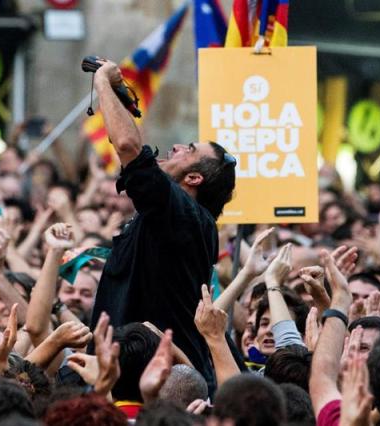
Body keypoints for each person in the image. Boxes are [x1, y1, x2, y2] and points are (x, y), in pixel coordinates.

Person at [89, 58, 236, 390]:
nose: (176, 146)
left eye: (189, 149)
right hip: (131, 376)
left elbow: (128, 147)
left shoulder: (186, 216)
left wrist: (102, 83)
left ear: (194, 177)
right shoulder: (171, 216)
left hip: (160, 386)